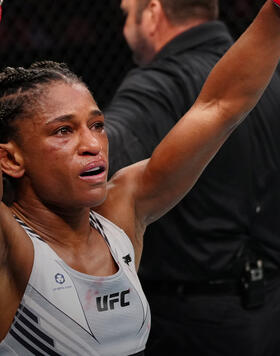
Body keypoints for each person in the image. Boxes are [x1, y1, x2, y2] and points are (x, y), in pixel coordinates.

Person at [0, 1, 280, 355]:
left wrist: (275, 9)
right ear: (10, 158)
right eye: (63, 131)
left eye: (98, 125)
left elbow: (220, 106)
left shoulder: (121, 216)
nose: (92, 145)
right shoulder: (11, 247)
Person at [104, 1, 280, 355]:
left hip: (190, 322)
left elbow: (101, 153)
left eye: (126, 12)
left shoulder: (157, 85)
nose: (124, 24)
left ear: (152, 13)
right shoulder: (269, 74)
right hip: (272, 309)